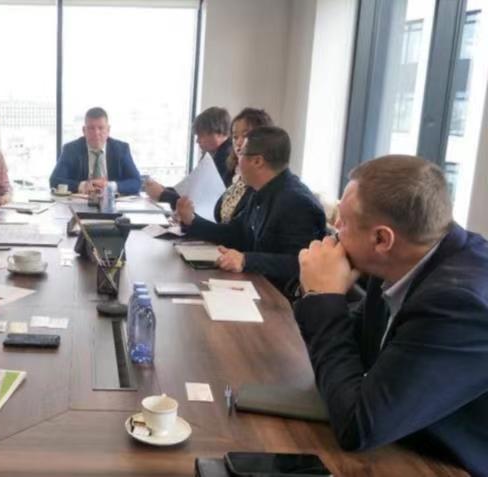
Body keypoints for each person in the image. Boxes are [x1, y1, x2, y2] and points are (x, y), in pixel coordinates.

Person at [294, 156, 488, 474]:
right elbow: (356, 350)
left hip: (449, 465)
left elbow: (357, 426)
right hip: (407, 440)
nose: (335, 231)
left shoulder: (458, 304)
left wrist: (323, 298)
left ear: (382, 239)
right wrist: (321, 295)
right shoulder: (400, 261)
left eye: (343, 222)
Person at [176, 126, 326, 292]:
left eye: (240, 153)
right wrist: (192, 221)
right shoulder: (259, 190)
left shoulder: (297, 202)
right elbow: (236, 232)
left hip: (278, 299)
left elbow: (299, 263)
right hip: (254, 285)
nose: (236, 160)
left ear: (257, 161)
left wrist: (246, 260)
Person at [144, 107, 234, 209]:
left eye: (201, 135)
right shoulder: (211, 155)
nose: (197, 141)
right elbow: (191, 190)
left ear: (218, 133)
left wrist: (162, 195)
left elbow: (201, 202)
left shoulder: (226, 159)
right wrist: (163, 190)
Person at [49, 107, 141, 195]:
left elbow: (136, 181)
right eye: (91, 128)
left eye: (101, 128)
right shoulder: (71, 149)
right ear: (84, 131)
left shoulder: (121, 149)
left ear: (108, 130)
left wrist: (110, 186)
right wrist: (82, 186)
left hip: (112, 203)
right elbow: (55, 180)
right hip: (80, 203)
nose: (96, 133)